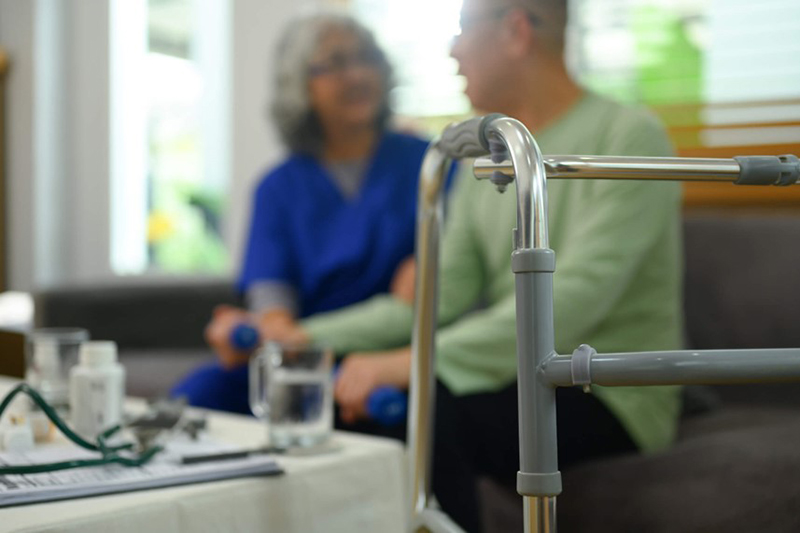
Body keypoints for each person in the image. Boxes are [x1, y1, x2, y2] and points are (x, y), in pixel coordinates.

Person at [273, 0, 685, 530]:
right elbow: (434, 298)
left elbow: (573, 301)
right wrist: (298, 337)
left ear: (515, 31)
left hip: (607, 393)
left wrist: (413, 363)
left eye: (463, 30)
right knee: (381, 408)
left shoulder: (631, 138)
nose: (452, 50)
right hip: (524, 374)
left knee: (429, 411)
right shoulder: (491, 158)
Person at [171, 12, 440, 417]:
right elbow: (273, 306)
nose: (356, 75)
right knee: (199, 395)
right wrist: (274, 330)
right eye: (335, 64)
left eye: (366, 58)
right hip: (305, 357)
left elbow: (447, 274)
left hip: (398, 354)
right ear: (299, 88)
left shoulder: (430, 163)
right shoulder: (278, 187)